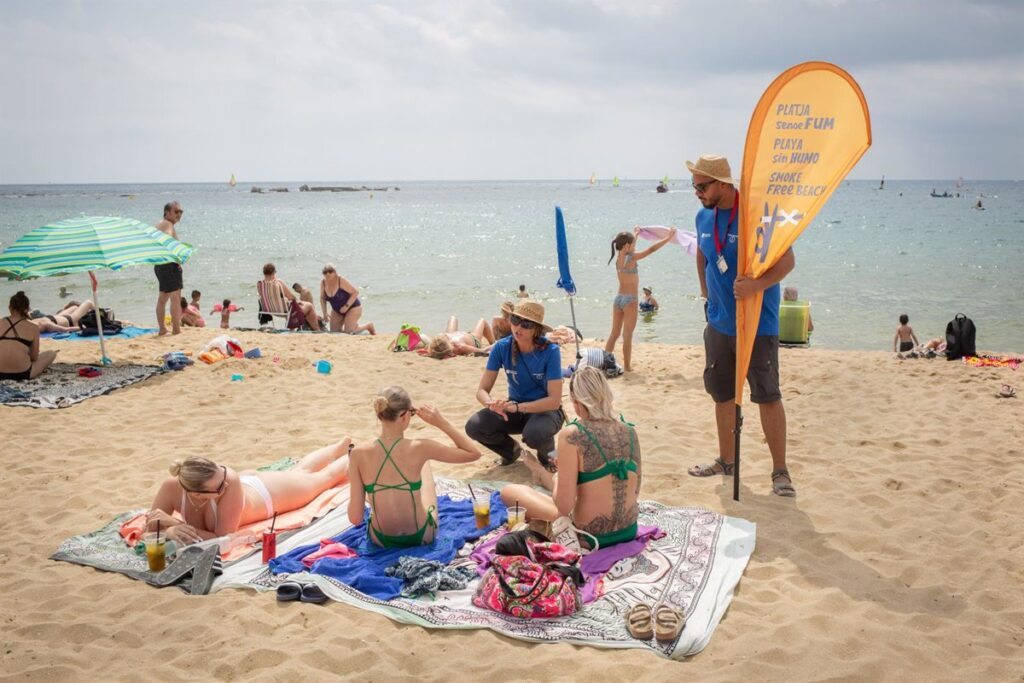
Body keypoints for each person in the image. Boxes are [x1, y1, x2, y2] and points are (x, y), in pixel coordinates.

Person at [686, 154, 796, 497]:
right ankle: (726, 460)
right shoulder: (703, 216)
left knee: (767, 396)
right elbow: (704, 254)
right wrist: (707, 295)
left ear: (723, 184)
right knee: (721, 395)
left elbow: (787, 261)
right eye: (694, 187)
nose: (698, 193)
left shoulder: (756, 216)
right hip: (719, 324)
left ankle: (780, 471)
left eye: (702, 186)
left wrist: (756, 286)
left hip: (758, 325)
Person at [500, 366, 640, 549]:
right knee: (583, 484)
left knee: (510, 492)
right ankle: (543, 474)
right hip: (629, 531)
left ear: (576, 401)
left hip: (590, 537)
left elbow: (563, 507)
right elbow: (635, 490)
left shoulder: (572, 435)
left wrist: (559, 474)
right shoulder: (629, 431)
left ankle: (543, 474)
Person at [146, 438, 352, 545]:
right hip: (254, 491)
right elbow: (151, 526)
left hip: (265, 496)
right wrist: (169, 531)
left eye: (222, 474)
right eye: (218, 488)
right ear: (196, 494)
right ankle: (337, 447)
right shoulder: (170, 487)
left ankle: (352, 454)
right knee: (299, 473)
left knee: (321, 480)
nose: (224, 485)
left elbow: (222, 536)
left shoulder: (230, 480)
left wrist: (174, 524)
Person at [347, 387, 481, 548]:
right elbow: (473, 453)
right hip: (421, 536)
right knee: (423, 464)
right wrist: (441, 423)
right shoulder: (420, 448)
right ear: (404, 416)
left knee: (375, 487)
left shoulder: (357, 454)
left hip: (381, 540)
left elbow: (355, 518)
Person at [465, 300, 564, 471]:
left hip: (544, 411)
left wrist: (517, 407)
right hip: (515, 409)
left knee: (535, 434)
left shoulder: (551, 351)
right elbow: (482, 390)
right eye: (515, 320)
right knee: (474, 426)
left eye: (526, 324)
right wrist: (491, 404)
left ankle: (548, 458)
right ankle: (511, 452)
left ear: (536, 329)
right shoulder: (501, 347)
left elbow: (554, 401)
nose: (518, 328)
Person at [605, 226, 676, 371]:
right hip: (630, 300)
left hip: (618, 299)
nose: (634, 246)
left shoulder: (619, 257)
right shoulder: (631, 258)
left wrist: (636, 234)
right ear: (627, 246)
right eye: (632, 244)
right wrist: (668, 238)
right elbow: (651, 250)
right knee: (627, 336)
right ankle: (627, 367)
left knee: (614, 334)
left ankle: (605, 362)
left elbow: (630, 247)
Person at [1, 292, 58, 380]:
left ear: (9, 307)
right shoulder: (33, 327)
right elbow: (34, 357)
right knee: (51, 353)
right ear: (27, 310)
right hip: (23, 373)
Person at [257, 263, 319, 330]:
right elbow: (291, 297)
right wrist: (297, 300)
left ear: (264, 273)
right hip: (284, 311)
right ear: (274, 272)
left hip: (269, 310)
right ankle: (316, 329)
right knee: (309, 305)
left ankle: (297, 327)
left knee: (290, 304)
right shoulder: (278, 283)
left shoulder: (260, 284)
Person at [154, 201, 185, 336]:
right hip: (169, 264)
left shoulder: (160, 224)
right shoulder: (167, 224)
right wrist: (176, 254)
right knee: (175, 297)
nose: (179, 215)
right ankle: (176, 329)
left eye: (181, 212)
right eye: (176, 211)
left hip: (160, 264)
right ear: (167, 213)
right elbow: (166, 238)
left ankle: (162, 328)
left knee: (163, 297)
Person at [319, 263, 376, 335]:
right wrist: (325, 313)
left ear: (335, 272)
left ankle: (368, 326)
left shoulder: (340, 280)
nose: (327, 274)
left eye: (330, 271)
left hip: (353, 307)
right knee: (334, 333)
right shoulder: (323, 282)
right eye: (325, 272)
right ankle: (353, 326)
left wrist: (346, 306)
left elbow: (355, 292)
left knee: (348, 333)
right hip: (337, 310)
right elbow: (322, 298)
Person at [425, 317, 496, 358]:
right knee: (482, 321)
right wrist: (494, 345)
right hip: (473, 338)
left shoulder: (440, 342)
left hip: (457, 335)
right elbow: (482, 351)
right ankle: (493, 341)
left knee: (453, 318)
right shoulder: (460, 347)